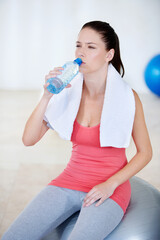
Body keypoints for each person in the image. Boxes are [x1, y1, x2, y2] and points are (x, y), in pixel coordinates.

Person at [2, 21, 152, 240]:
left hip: (107, 189)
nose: (81, 52)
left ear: (109, 55)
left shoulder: (129, 98)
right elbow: (28, 139)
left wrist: (111, 184)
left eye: (91, 47)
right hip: (69, 181)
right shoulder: (66, 92)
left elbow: (145, 153)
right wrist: (47, 96)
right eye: (79, 45)